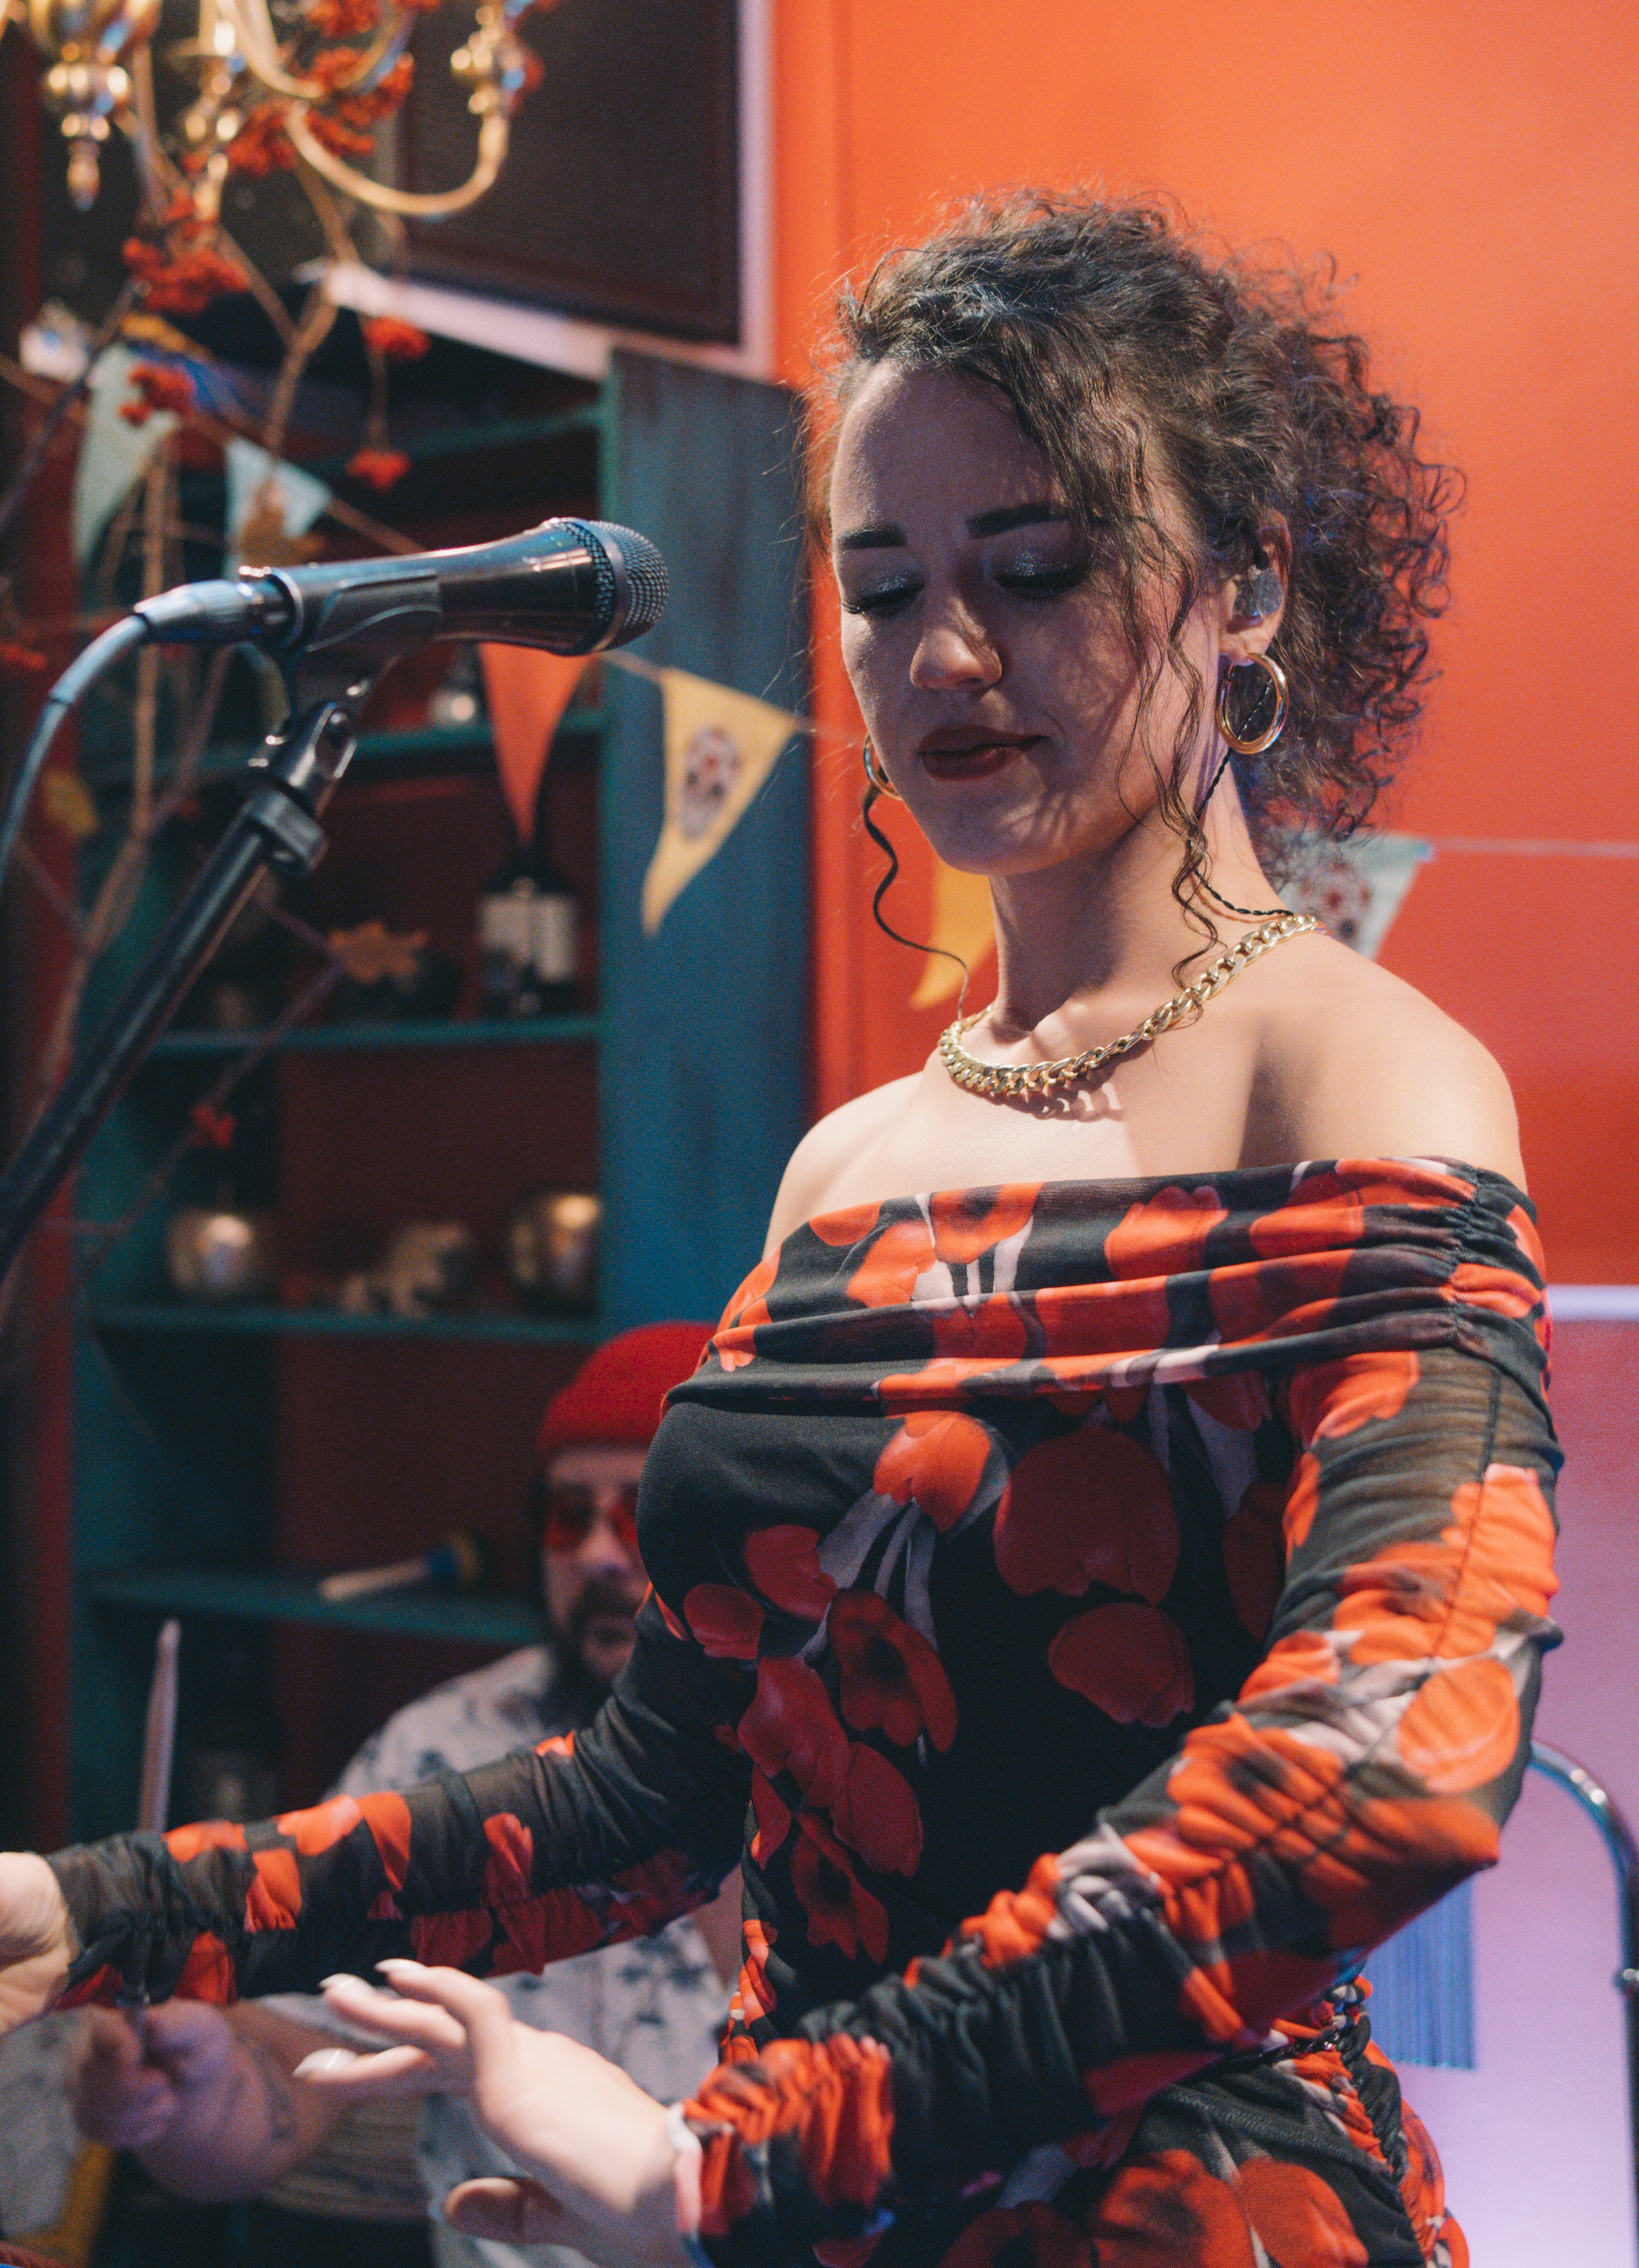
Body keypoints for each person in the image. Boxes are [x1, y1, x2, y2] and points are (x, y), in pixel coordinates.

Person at [0, 195, 1559, 2268]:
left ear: (1246, 585)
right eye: (882, 586)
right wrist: (97, 1912)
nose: (944, 655)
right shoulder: (848, 1168)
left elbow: (1394, 1754)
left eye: (1035, 568)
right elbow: (649, 1800)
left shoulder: (1360, 1081)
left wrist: (725, 2161)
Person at [63, 1324, 736, 2268]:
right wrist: (187, 2093)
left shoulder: (861, 1773)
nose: (596, 1554)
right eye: (567, 1516)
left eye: (639, 1514)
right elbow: (290, 2081)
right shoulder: (447, 1749)